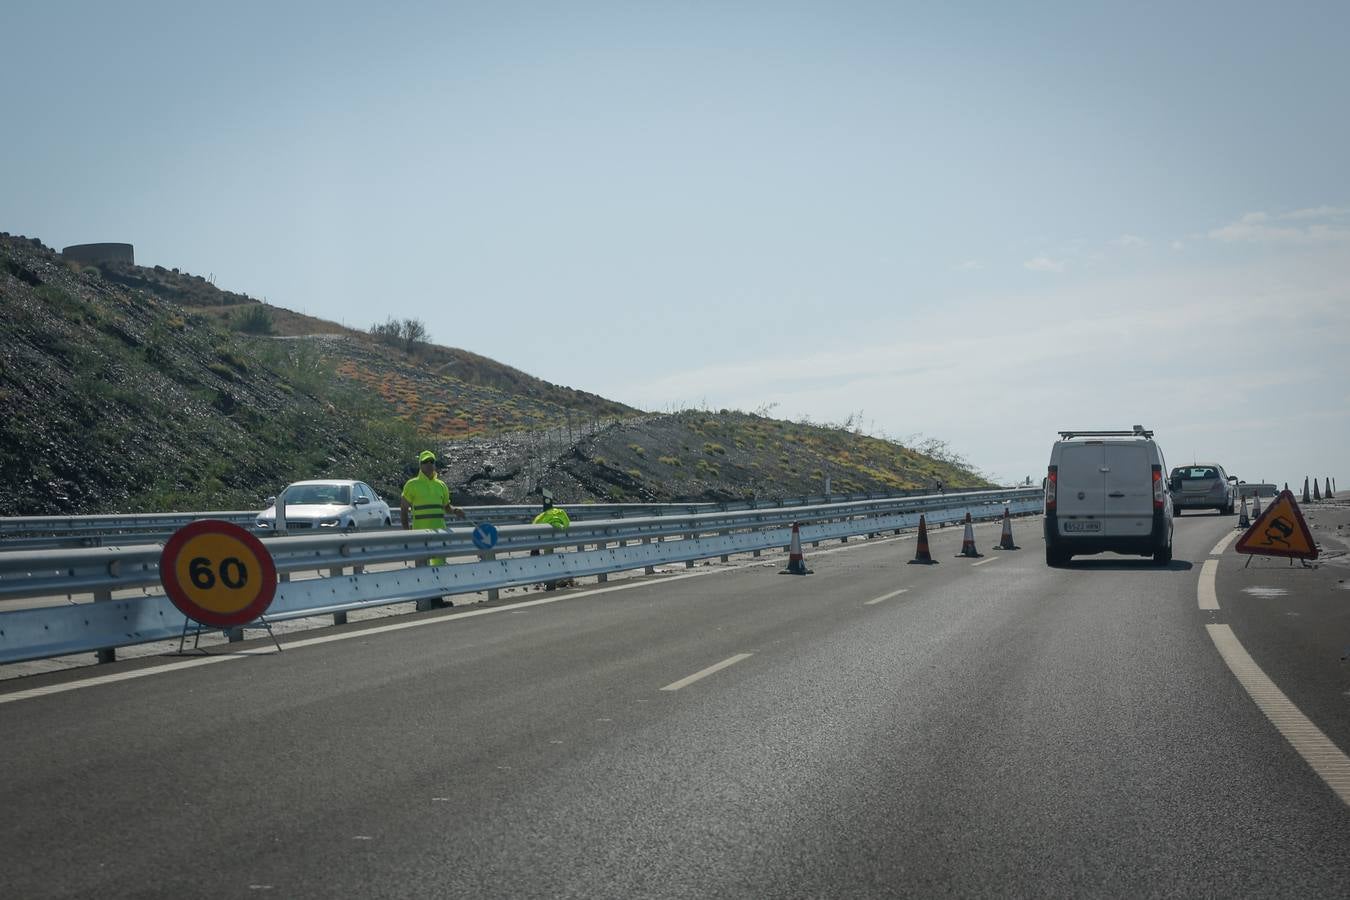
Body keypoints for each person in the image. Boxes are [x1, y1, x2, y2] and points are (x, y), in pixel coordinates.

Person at [401, 450, 465, 567]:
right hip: (420, 534)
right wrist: (407, 533)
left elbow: (447, 507)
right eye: (425, 462)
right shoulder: (411, 485)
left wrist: (455, 511)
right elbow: (404, 510)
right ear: (420, 465)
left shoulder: (441, 485)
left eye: (432, 461)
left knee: (440, 566)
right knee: (422, 567)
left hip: (439, 533)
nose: (429, 464)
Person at [531, 490, 571, 590]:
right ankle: (550, 582)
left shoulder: (541, 517)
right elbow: (567, 524)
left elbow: (533, 528)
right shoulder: (560, 512)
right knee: (549, 556)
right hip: (555, 537)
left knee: (540, 554)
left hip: (541, 538)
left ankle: (547, 581)